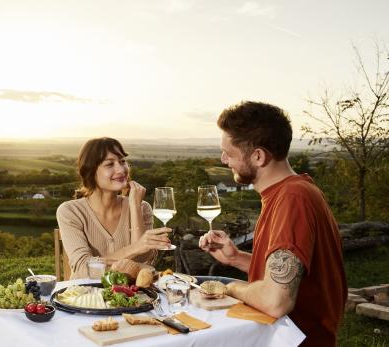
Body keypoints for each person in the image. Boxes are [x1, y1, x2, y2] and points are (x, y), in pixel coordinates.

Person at [198, 101, 346, 347]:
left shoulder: (292, 199)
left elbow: (276, 300)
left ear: (258, 156)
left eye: (229, 152)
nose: (224, 160)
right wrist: (236, 258)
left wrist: (228, 287)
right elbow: (289, 273)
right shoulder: (292, 191)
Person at [56, 137, 172, 279]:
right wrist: (135, 248)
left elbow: (142, 261)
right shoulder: (70, 211)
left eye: (122, 161)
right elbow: (82, 269)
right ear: (91, 171)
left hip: (132, 297)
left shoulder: (143, 207)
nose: (121, 169)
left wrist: (135, 207)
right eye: (110, 164)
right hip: (86, 297)